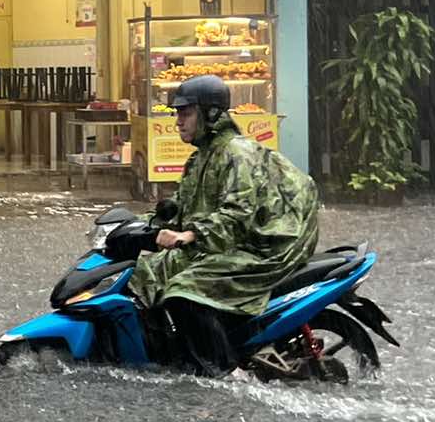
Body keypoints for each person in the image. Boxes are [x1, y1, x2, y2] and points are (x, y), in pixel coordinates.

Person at [129, 75, 320, 376]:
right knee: (146, 273)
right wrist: (136, 227)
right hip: (225, 243)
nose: (178, 122)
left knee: (184, 290)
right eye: (177, 114)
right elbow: (180, 208)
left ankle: (223, 372)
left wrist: (191, 234)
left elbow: (237, 214)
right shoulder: (200, 158)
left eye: (186, 113)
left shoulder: (237, 153)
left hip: (265, 247)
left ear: (212, 114)